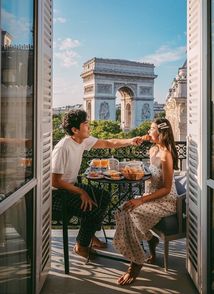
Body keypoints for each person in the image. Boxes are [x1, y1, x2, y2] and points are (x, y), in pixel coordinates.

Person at [52, 109, 141, 260]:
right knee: (92, 208)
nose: (89, 126)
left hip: (70, 186)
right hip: (56, 194)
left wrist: (130, 140)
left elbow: (108, 143)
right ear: (75, 130)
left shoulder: (82, 140)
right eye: (85, 124)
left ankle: (88, 234)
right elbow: (54, 181)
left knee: (104, 196)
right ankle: (81, 246)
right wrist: (81, 192)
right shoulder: (62, 148)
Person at [113, 118, 178, 285]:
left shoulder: (166, 155)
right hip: (151, 194)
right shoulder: (153, 150)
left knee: (131, 212)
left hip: (165, 200)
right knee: (121, 210)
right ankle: (150, 239)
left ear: (161, 133)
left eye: (152, 129)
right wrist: (143, 138)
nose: (149, 131)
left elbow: (166, 188)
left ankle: (135, 264)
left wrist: (140, 200)